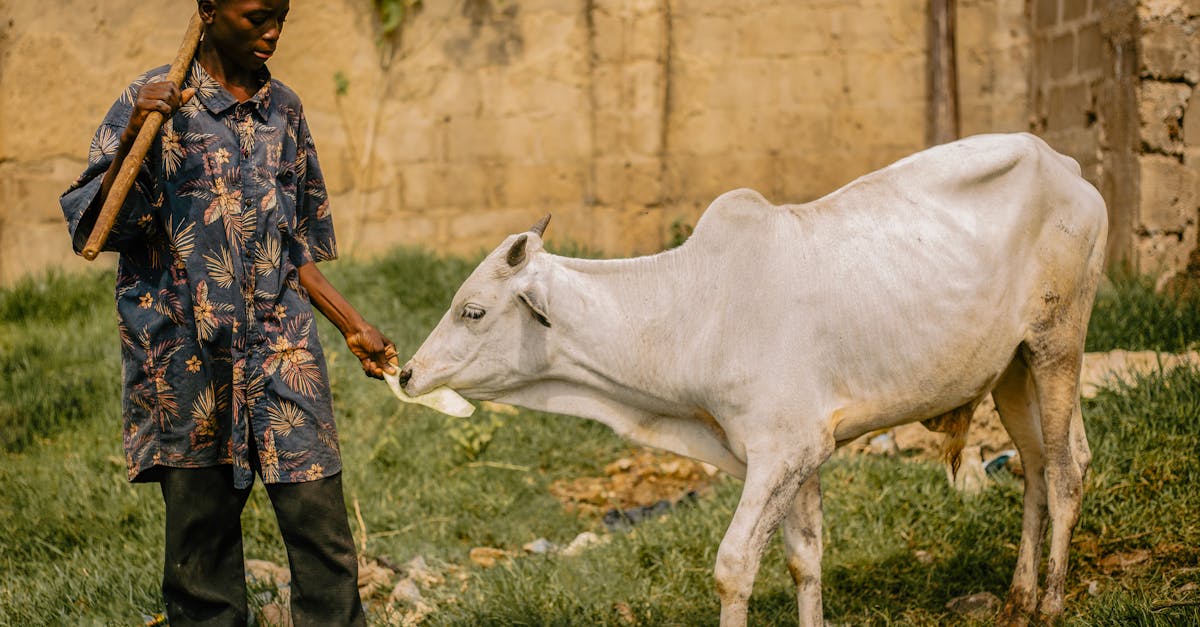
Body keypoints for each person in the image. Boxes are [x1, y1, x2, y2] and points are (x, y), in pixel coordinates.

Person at [60, 0, 392, 623]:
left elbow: (293, 246)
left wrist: (353, 325)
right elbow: (96, 232)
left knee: (323, 535)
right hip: (187, 360)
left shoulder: (284, 111)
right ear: (208, 10)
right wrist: (136, 134)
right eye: (257, 16)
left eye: (282, 17)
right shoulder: (155, 104)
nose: (272, 32)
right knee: (202, 552)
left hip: (281, 350)